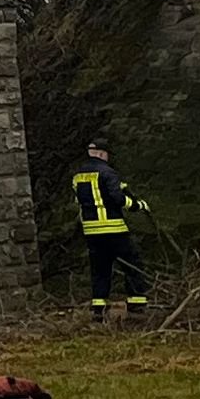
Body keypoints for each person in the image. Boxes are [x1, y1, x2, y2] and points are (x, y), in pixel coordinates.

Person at [71, 139, 148, 325]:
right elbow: (117, 199)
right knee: (132, 264)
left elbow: (80, 200)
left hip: (91, 230)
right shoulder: (108, 172)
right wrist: (138, 205)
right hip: (113, 228)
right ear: (102, 153)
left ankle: (99, 309)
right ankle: (136, 306)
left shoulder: (78, 176)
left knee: (100, 270)